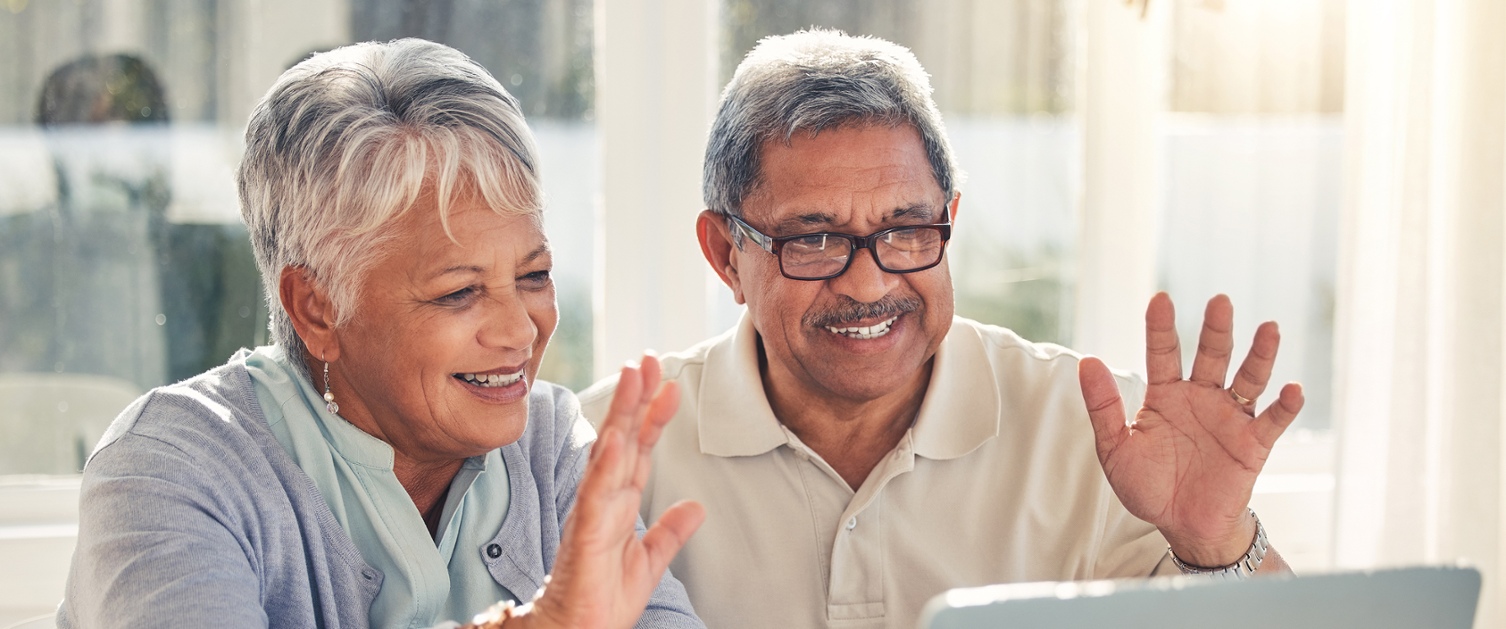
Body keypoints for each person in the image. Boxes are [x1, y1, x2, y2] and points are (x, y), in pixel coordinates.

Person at [578, 29, 1304, 629]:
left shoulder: (1099, 430)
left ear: (949, 219)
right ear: (724, 254)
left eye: (905, 229)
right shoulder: (600, 448)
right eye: (815, 239)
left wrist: (1215, 541)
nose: (868, 284)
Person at [57, 39, 705, 629]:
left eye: (533, 275)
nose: (519, 330)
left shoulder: (551, 450)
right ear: (316, 308)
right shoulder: (170, 468)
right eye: (459, 291)